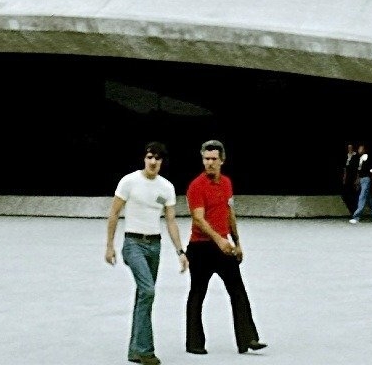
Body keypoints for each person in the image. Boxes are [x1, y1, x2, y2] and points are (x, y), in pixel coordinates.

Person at [106, 142, 188, 365]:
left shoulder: (166, 188)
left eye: (158, 159)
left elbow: (171, 221)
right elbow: (114, 213)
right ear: (144, 158)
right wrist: (110, 246)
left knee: (144, 296)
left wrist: (180, 251)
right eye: (150, 157)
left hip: (154, 245)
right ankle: (145, 350)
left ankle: (134, 350)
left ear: (162, 162)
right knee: (148, 291)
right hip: (133, 243)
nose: (153, 162)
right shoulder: (129, 181)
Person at [186, 140, 266, 355]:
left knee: (238, 291)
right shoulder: (196, 186)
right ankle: (194, 343)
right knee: (197, 293)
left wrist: (237, 242)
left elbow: (229, 212)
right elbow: (199, 219)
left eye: (214, 159)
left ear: (222, 160)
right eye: (206, 159)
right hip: (201, 247)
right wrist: (219, 240)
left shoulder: (227, 183)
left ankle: (248, 338)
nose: (210, 163)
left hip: (224, 247)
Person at [349, 143, 372, 224]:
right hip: (361, 180)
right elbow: (359, 171)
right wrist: (357, 181)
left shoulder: (368, 158)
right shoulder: (360, 159)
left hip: (366, 180)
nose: (359, 150)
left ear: (364, 150)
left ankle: (356, 217)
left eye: (361, 149)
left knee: (362, 197)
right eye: (359, 149)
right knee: (369, 199)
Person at [340, 143, 360, 214]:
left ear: (353, 148)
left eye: (351, 147)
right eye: (348, 147)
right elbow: (345, 168)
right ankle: (352, 210)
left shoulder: (356, 156)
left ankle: (355, 211)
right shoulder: (346, 156)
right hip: (348, 178)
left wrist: (357, 179)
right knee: (345, 195)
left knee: (354, 194)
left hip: (354, 177)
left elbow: (358, 168)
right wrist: (344, 178)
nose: (350, 149)